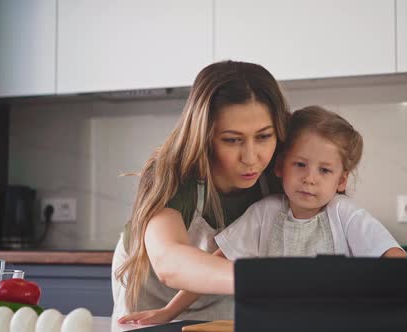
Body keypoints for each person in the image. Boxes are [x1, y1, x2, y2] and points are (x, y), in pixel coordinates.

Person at [119, 106, 407, 332]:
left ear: (342, 179)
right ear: (280, 167)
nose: (310, 179)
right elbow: (215, 266)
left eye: (325, 171)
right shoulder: (262, 215)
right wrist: (167, 313)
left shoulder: (348, 217)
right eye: (300, 164)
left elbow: (401, 270)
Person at [111, 60, 290, 321]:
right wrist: (262, 281)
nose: (251, 158)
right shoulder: (171, 171)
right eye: (232, 140)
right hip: (150, 291)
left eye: (263, 136)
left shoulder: (281, 170)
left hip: (222, 291)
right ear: (204, 135)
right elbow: (169, 262)